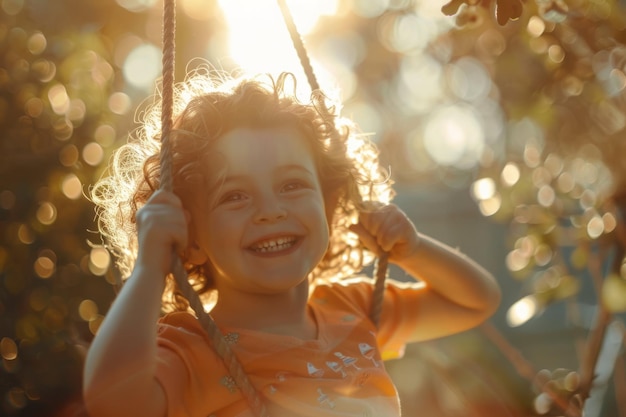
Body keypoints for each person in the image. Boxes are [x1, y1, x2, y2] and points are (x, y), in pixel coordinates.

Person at [83, 67, 501, 417]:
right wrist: (149, 270)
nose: (271, 211)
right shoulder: (193, 349)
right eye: (234, 195)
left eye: (292, 184)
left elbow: (474, 302)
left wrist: (413, 249)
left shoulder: (351, 312)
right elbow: (113, 402)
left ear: (331, 203)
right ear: (190, 240)